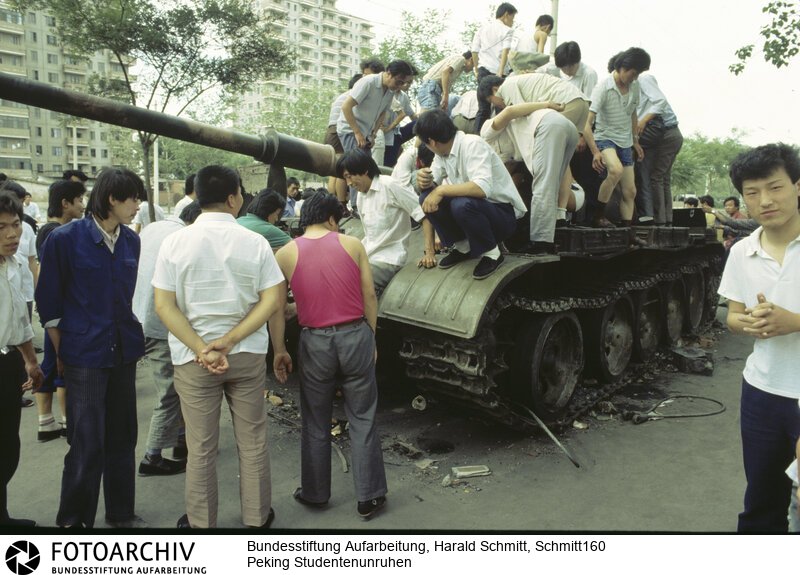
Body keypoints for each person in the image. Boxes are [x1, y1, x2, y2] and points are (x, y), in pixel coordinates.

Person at [153, 165, 284, 530]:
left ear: (196, 196)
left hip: (194, 362)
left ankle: (200, 524)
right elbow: (272, 298)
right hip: (245, 356)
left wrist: (203, 348)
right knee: (253, 440)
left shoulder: (175, 242)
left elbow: (164, 306)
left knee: (201, 447)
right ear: (232, 198)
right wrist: (228, 341)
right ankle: (257, 518)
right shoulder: (254, 242)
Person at [36, 168, 146, 529]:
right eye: (133, 198)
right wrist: (62, 354)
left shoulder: (131, 241)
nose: (137, 206)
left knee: (122, 438)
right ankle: (73, 522)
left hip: (122, 352)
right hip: (83, 355)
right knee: (85, 442)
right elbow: (49, 305)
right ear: (112, 199)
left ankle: (121, 513)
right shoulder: (65, 240)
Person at [269, 191, 388, 520]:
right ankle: (370, 496)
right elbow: (369, 295)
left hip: (315, 341)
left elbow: (278, 308)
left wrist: (279, 349)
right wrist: (370, 337)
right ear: (333, 218)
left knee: (315, 419)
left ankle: (315, 492)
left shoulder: (286, 253)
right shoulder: (352, 245)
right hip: (355, 335)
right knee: (362, 416)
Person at [717, 143, 800, 532]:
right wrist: (747, 322)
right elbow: (732, 316)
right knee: (761, 504)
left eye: (775, 187)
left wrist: (794, 321)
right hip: (762, 393)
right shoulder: (741, 252)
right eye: (752, 193)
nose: (765, 200)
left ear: (797, 186)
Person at [133, 201, 202, 478]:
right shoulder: (184, 239)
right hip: (159, 323)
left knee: (177, 386)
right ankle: (151, 457)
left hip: (138, 314)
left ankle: (181, 441)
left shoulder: (155, 227)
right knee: (170, 392)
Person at [415, 109, 527, 279]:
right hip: (476, 213)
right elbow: (434, 184)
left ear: (431, 141)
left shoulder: (472, 144)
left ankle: (492, 254)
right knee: (425, 197)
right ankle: (463, 247)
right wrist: (425, 181)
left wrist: (441, 190)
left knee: (461, 204)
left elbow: (481, 188)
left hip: (502, 216)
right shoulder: (442, 153)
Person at [481, 99, 578, 254]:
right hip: (567, 127)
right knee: (552, 183)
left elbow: (509, 111)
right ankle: (555, 226)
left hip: (548, 125)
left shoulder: (485, 135)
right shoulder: (506, 155)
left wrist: (547, 104)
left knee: (543, 185)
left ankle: (541, 242)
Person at [0, 190, 44, 527]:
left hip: (8, 362)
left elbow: (19, 319)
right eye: (1, 227)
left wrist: (30, 360)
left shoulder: (14, 265)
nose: (12, 234)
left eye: (15, 225)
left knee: (7, 447)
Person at [34, 179, 86, 442]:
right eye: (79, 200)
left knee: (52, 364)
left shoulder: (50, 231)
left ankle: (47, 422)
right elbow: (48, 278)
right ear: (65, 203)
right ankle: (64, 421)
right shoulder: (56, 234)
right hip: (57, 313)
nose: (82, 205)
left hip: (52, 311)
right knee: (60, 363)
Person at [336, 150, 426, 296]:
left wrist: (429, 252)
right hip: (369, 256)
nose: (349, 183)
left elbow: (422, 213)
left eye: (349, 176)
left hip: (389, 260)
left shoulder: (390, 185)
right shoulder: (361, 196)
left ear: (364, 170)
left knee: (348, 281)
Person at [583, 47, 651, 228]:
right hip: (605, 138)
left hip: (626, 141)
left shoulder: (634, 86)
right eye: (633, 73)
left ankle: (628, 233)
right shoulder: (603, 87)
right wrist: (595, 152)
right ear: (622, 67)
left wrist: (635, 141)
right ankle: (598, 216)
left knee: (630, 191)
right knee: (615, 170)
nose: (635, 78)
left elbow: (633, 113)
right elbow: (586, 124)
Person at [634, 73, 684, 225]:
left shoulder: (643, 79)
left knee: (656, 177)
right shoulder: (638, 94)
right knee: (663, 178)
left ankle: (659, 219)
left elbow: (660, 101)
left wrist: (643, 122)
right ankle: (667, 219)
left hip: (667, 134)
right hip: (671, 134)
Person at [336, 60, 415, 153]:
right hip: (351, 130)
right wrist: (357, 133)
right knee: (356, 164)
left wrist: (373, 135)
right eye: (398, 82)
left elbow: (383, 112)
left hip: (366, 134)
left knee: (367, 165)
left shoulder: (390, 91)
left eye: (403, 83)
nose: (400, 86)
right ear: (389, 73)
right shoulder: (368, 82)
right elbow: (346, 106)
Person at [471, 2, 517, 132]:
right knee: (501, 108)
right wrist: (500, 73)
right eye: (512, 18)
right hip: (497, 74)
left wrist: (476, 70)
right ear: (506, 15)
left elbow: (474, 51)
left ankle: (477, 138)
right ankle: (497, 140)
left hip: (483, 71)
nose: (512, 22)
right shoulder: (507, 30)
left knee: (483, 108)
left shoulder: (482, 28)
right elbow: (505, 51)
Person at [326, 74, 363, 208]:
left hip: (330, 131)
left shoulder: (342, 95)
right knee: (344, 167)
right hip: (339, 129)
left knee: (334, 170)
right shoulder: (354, 95)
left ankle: (334, 202)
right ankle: (342, 203)